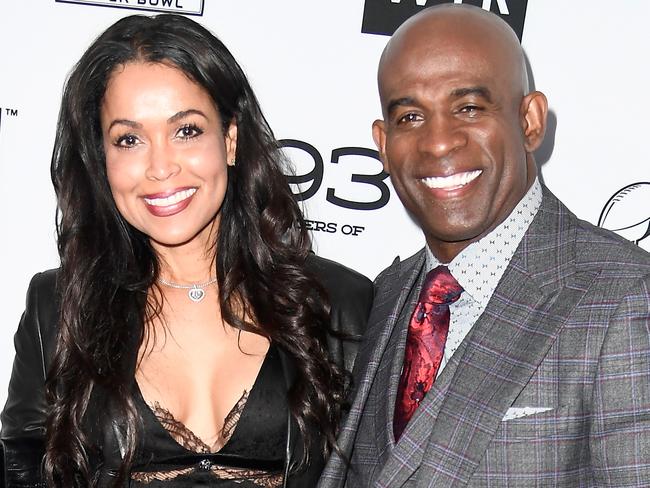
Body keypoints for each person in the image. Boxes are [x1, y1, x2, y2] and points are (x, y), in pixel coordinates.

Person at [0, 14, 372, 488]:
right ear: (102, 159)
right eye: (129, 139)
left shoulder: (338, 302)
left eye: (187, 130)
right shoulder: (59, 306)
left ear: (230, 139)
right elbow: (23, 467)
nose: (160, 167)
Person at [318, 4, 650, 487]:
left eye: (469, 108)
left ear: (530, 120)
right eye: (410, 117)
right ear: (383, 144)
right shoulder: (387, 292)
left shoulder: (625, 298)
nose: (437, 143)